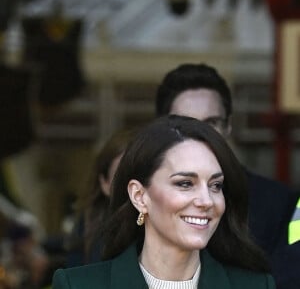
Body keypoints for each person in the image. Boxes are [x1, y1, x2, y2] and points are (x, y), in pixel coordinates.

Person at [52, 115, 275, 289]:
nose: (207, 201)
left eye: (215, 186)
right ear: (139, 196)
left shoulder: (255, 285)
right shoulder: (79, 285)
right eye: (185, 183)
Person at [155, 63, 298, 258]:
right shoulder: (145, 200)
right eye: (185, 123)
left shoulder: (280, 202)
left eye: (211, 123)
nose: (200, 134)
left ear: (229, 126)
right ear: (163, 129)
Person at [64, 127, 136, 267]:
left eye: (137, 173)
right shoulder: (87, 230)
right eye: (120, 176)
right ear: (104, 183)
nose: (131, 185)